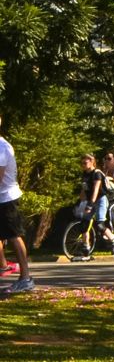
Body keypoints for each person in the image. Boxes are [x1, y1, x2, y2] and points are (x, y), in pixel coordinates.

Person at [0, 115, 33, 293]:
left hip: (7, 198)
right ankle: (4, 266)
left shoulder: (2, 147)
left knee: (14, 235)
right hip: (1, 198)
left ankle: (26, 278)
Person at [74, 153, 114, 260]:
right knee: (84, 224)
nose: (83, 164)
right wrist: (80, 204)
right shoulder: (85, 174)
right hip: (90, 201)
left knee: (99, 224)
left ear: (92, 162)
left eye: (85, 162)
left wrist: (90, 205)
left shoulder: (97, 173)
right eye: (82, 163)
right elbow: (84, 190)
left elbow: (96, 190)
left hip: (101, 200)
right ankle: (86, 248)